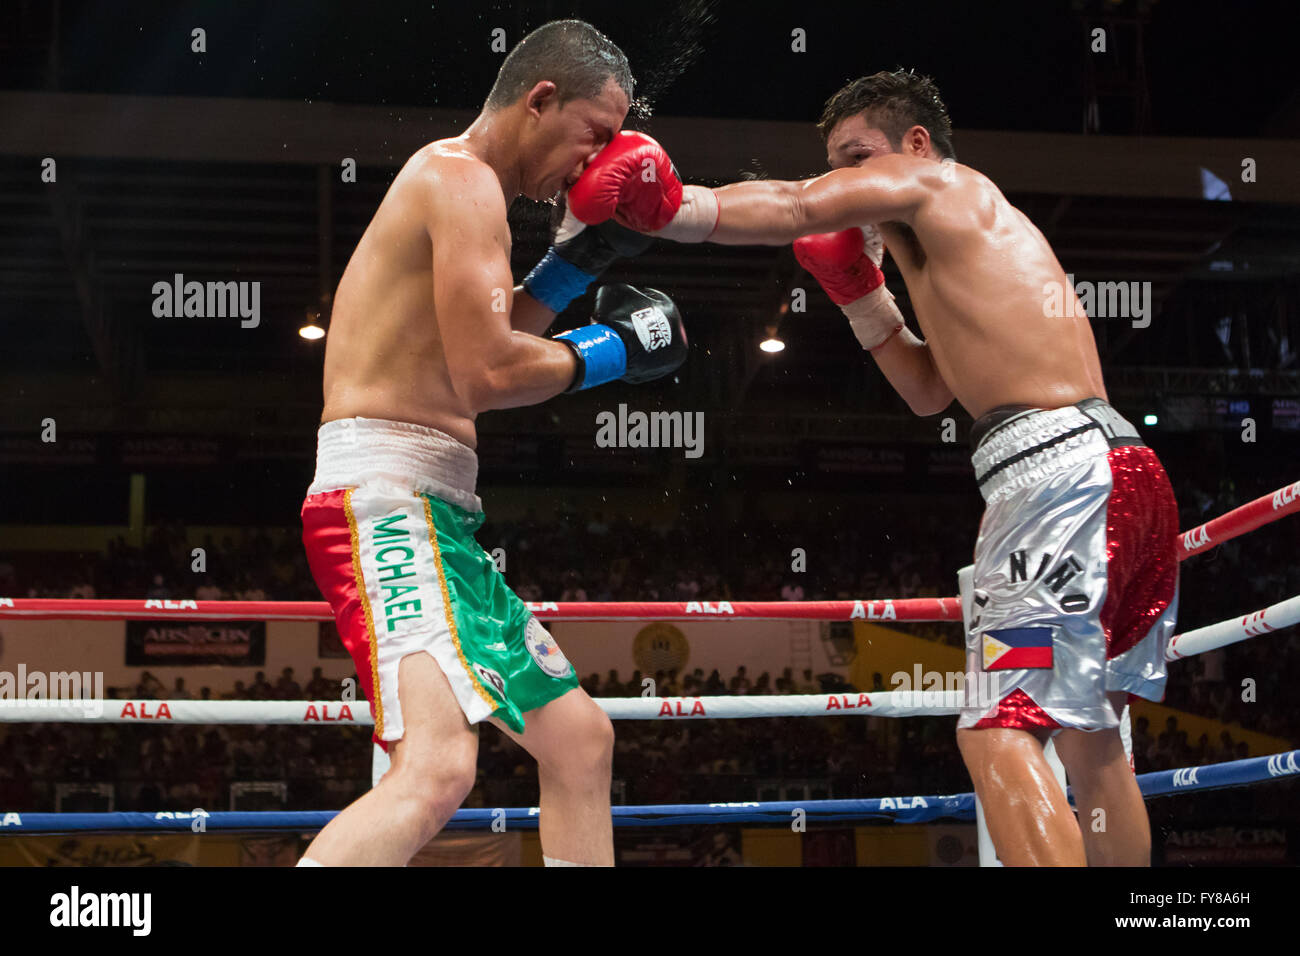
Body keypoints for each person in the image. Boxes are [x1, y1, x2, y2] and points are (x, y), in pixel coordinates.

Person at [576, 68, 1178, 866]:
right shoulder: (954, 240)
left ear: (915, 145)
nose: (843, 182)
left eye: (856, 158)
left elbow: (794, 204)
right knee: (1095, 747)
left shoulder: (938, 182)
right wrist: (862, 296)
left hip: (1056, 488)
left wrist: (671, 207)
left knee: (997, 732)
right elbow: (930, 392)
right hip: (1122, 478)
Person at [297, 20, 688, 867]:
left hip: (435, 513)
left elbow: (474, 346)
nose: (595, 163)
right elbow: (488, 373)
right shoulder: (461, 179)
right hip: (387, 503)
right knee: (438, 770)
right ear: (539, 99)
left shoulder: (466, 191)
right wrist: (617, 350)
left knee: (580, 741)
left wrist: (577, 267)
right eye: (594, 134)